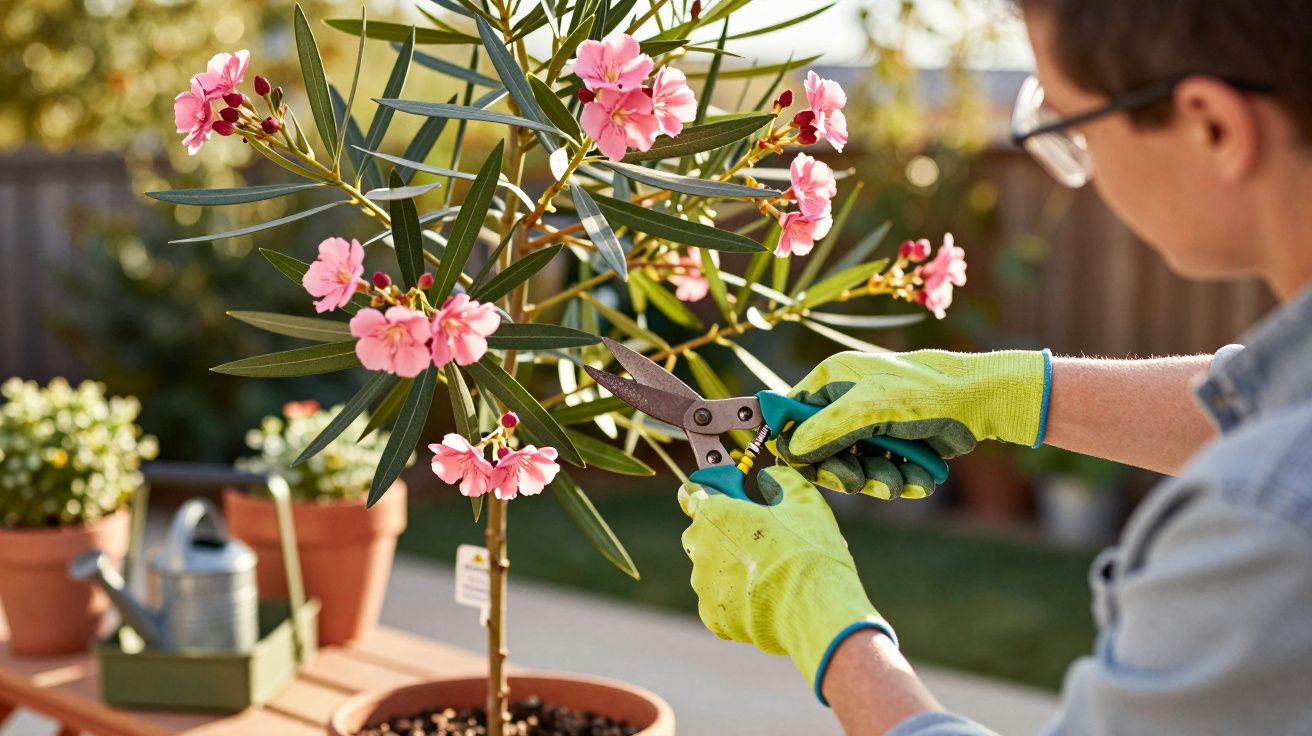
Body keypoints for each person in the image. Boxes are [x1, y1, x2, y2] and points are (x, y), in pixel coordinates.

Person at [676, 0, 1312, 733]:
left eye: (1072, 125)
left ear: (1214, 126)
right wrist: (995, 392)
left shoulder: (1264, 533)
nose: (1083, 172)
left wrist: (819, 619)